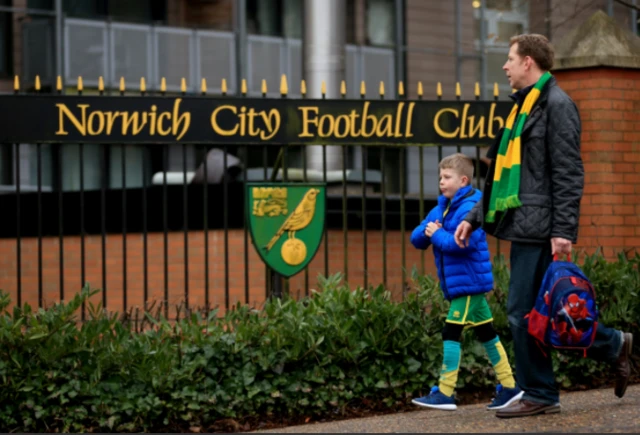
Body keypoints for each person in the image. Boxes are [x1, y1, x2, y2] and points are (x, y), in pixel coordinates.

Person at [454, 34, 633, 418]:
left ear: (529, 63)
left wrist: (564, 231)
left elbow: (569, 173)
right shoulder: (523, 109)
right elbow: (502, 177)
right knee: (537, 313)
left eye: (510, 59)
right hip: (525, 225)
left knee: (521, 313)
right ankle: (611, 345)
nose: (505, 66)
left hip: (542, 229)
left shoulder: (556, 105)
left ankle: (540, 390)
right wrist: (474, 218)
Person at [410, 153, 523, 411]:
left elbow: (460, 244)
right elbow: (416, 239)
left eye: (447, 177)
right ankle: (509, 386)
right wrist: (429, 229)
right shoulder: (441, 207)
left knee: (451, 332)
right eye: (440, 176)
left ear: (463, 180)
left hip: (469, 283)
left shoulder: (472, 208)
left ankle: (446, 392)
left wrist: (436, 233)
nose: (441, 181)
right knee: (487, 334)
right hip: (462, 285)